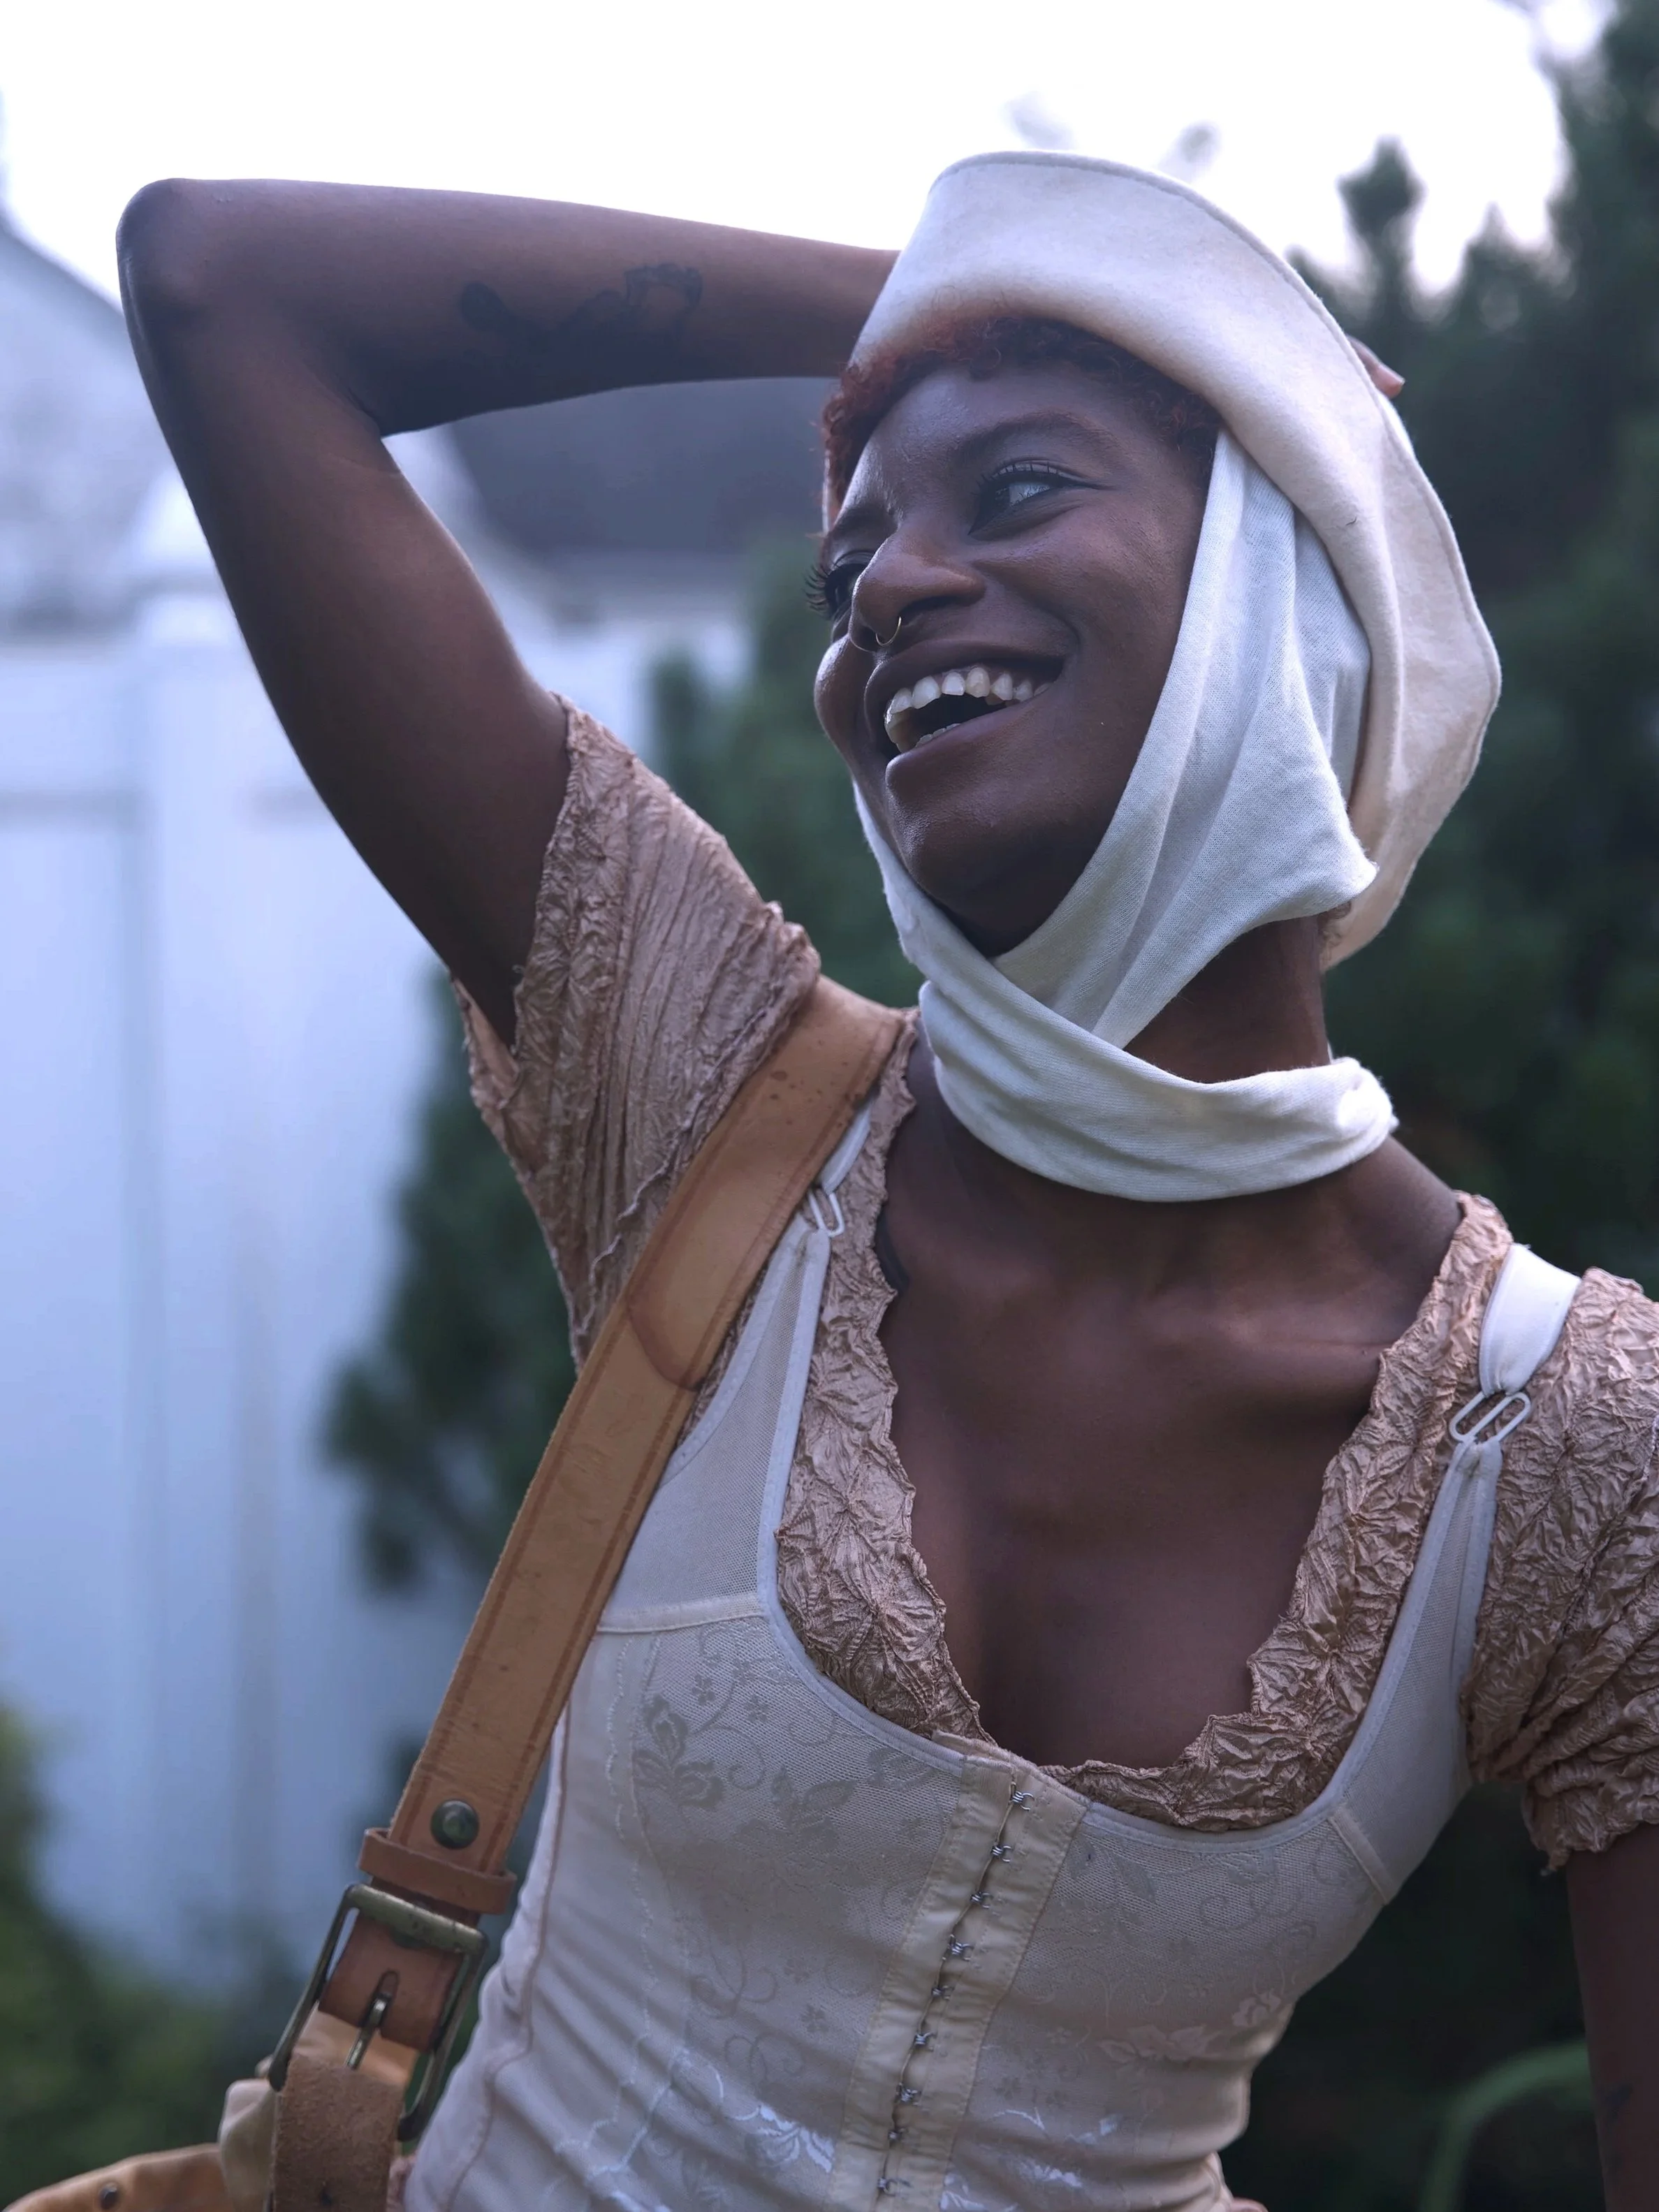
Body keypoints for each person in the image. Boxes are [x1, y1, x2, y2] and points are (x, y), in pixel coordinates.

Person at [116, 152, 1659, 2212]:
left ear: (1273, 583)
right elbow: (219, 284)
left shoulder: (1568, 1450)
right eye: (850, 572)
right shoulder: (695, 1082)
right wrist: (969, 292)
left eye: (1016, 489)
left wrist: (1090, 306)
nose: (893, 592)